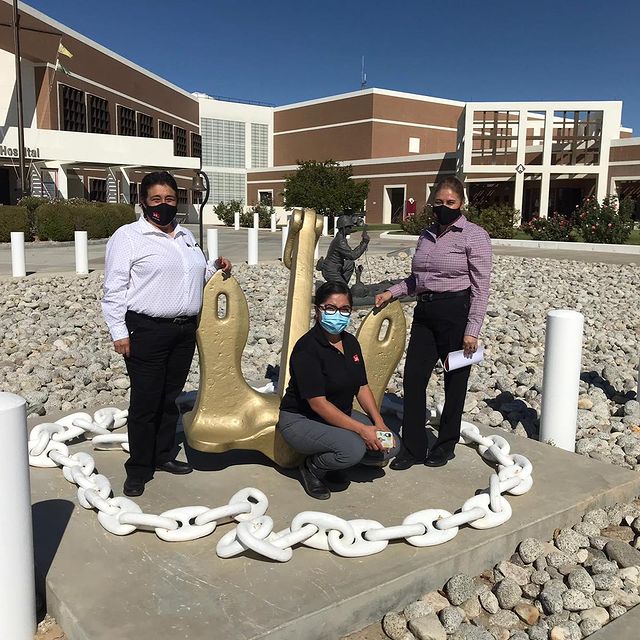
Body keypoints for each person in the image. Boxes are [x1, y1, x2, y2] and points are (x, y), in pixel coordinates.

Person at [102, 170, 232, 497]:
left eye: (170, 198)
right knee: (146, 401)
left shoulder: (185, 236)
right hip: (146, 329)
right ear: (143, 201)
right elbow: (114, 288)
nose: (163, 204)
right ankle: (139, 468)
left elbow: (194, 275)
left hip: (184, 330)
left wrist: (215, 268)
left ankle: (162, 456)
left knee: (170, 398)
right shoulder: (129, 237)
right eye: (156, 198)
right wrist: (118, 331)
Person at [375, 176, 491, 469]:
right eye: (439, 202)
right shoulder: (426, 235)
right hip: (425, 314)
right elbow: (417, 279)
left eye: (450, 202)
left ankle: (446, 445)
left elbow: (481, 287)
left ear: (461, 203)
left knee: (455, 381)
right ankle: (413, 448)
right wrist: (391, 292)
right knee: (414, 379)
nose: (444, 207)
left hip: (456, 313)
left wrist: (472, 330)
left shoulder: (474, 236)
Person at [278, 281, 400, 500]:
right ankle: (313, 467)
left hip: (340, 413)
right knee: (354, 448)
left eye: (344, 309)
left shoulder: (350, 342)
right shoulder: (307, 348)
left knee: (391, 445)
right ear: (318, 310)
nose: (338, 314)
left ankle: (338, 459)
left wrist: (378, 422)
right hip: (303, 419)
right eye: (331, 308)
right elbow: (318, 404)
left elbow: (361, 386)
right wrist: (362, 430)